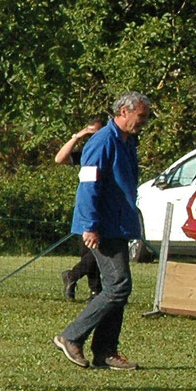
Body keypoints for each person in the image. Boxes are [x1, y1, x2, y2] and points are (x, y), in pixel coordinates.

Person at [53, 92, 153, 371]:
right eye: (141, 116)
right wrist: (90, 226)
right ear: (123, 111)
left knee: (117, 289)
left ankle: (105, 352)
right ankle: (71, 336)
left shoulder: (128, 141)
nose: (144, 122)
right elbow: (88, 186)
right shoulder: (102, 141)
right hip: (102, 226)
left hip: (118, 224)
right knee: (119, 286)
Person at [55, 116, 109, 299]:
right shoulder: (86, 154)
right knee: (93, 252)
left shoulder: (107, 151)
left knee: (93, 252)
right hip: (87, 209)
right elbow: (59, 158)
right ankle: (74, 276)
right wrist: (77, 136)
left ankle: (95, 290)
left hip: (105, 206)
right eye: (91, 134)